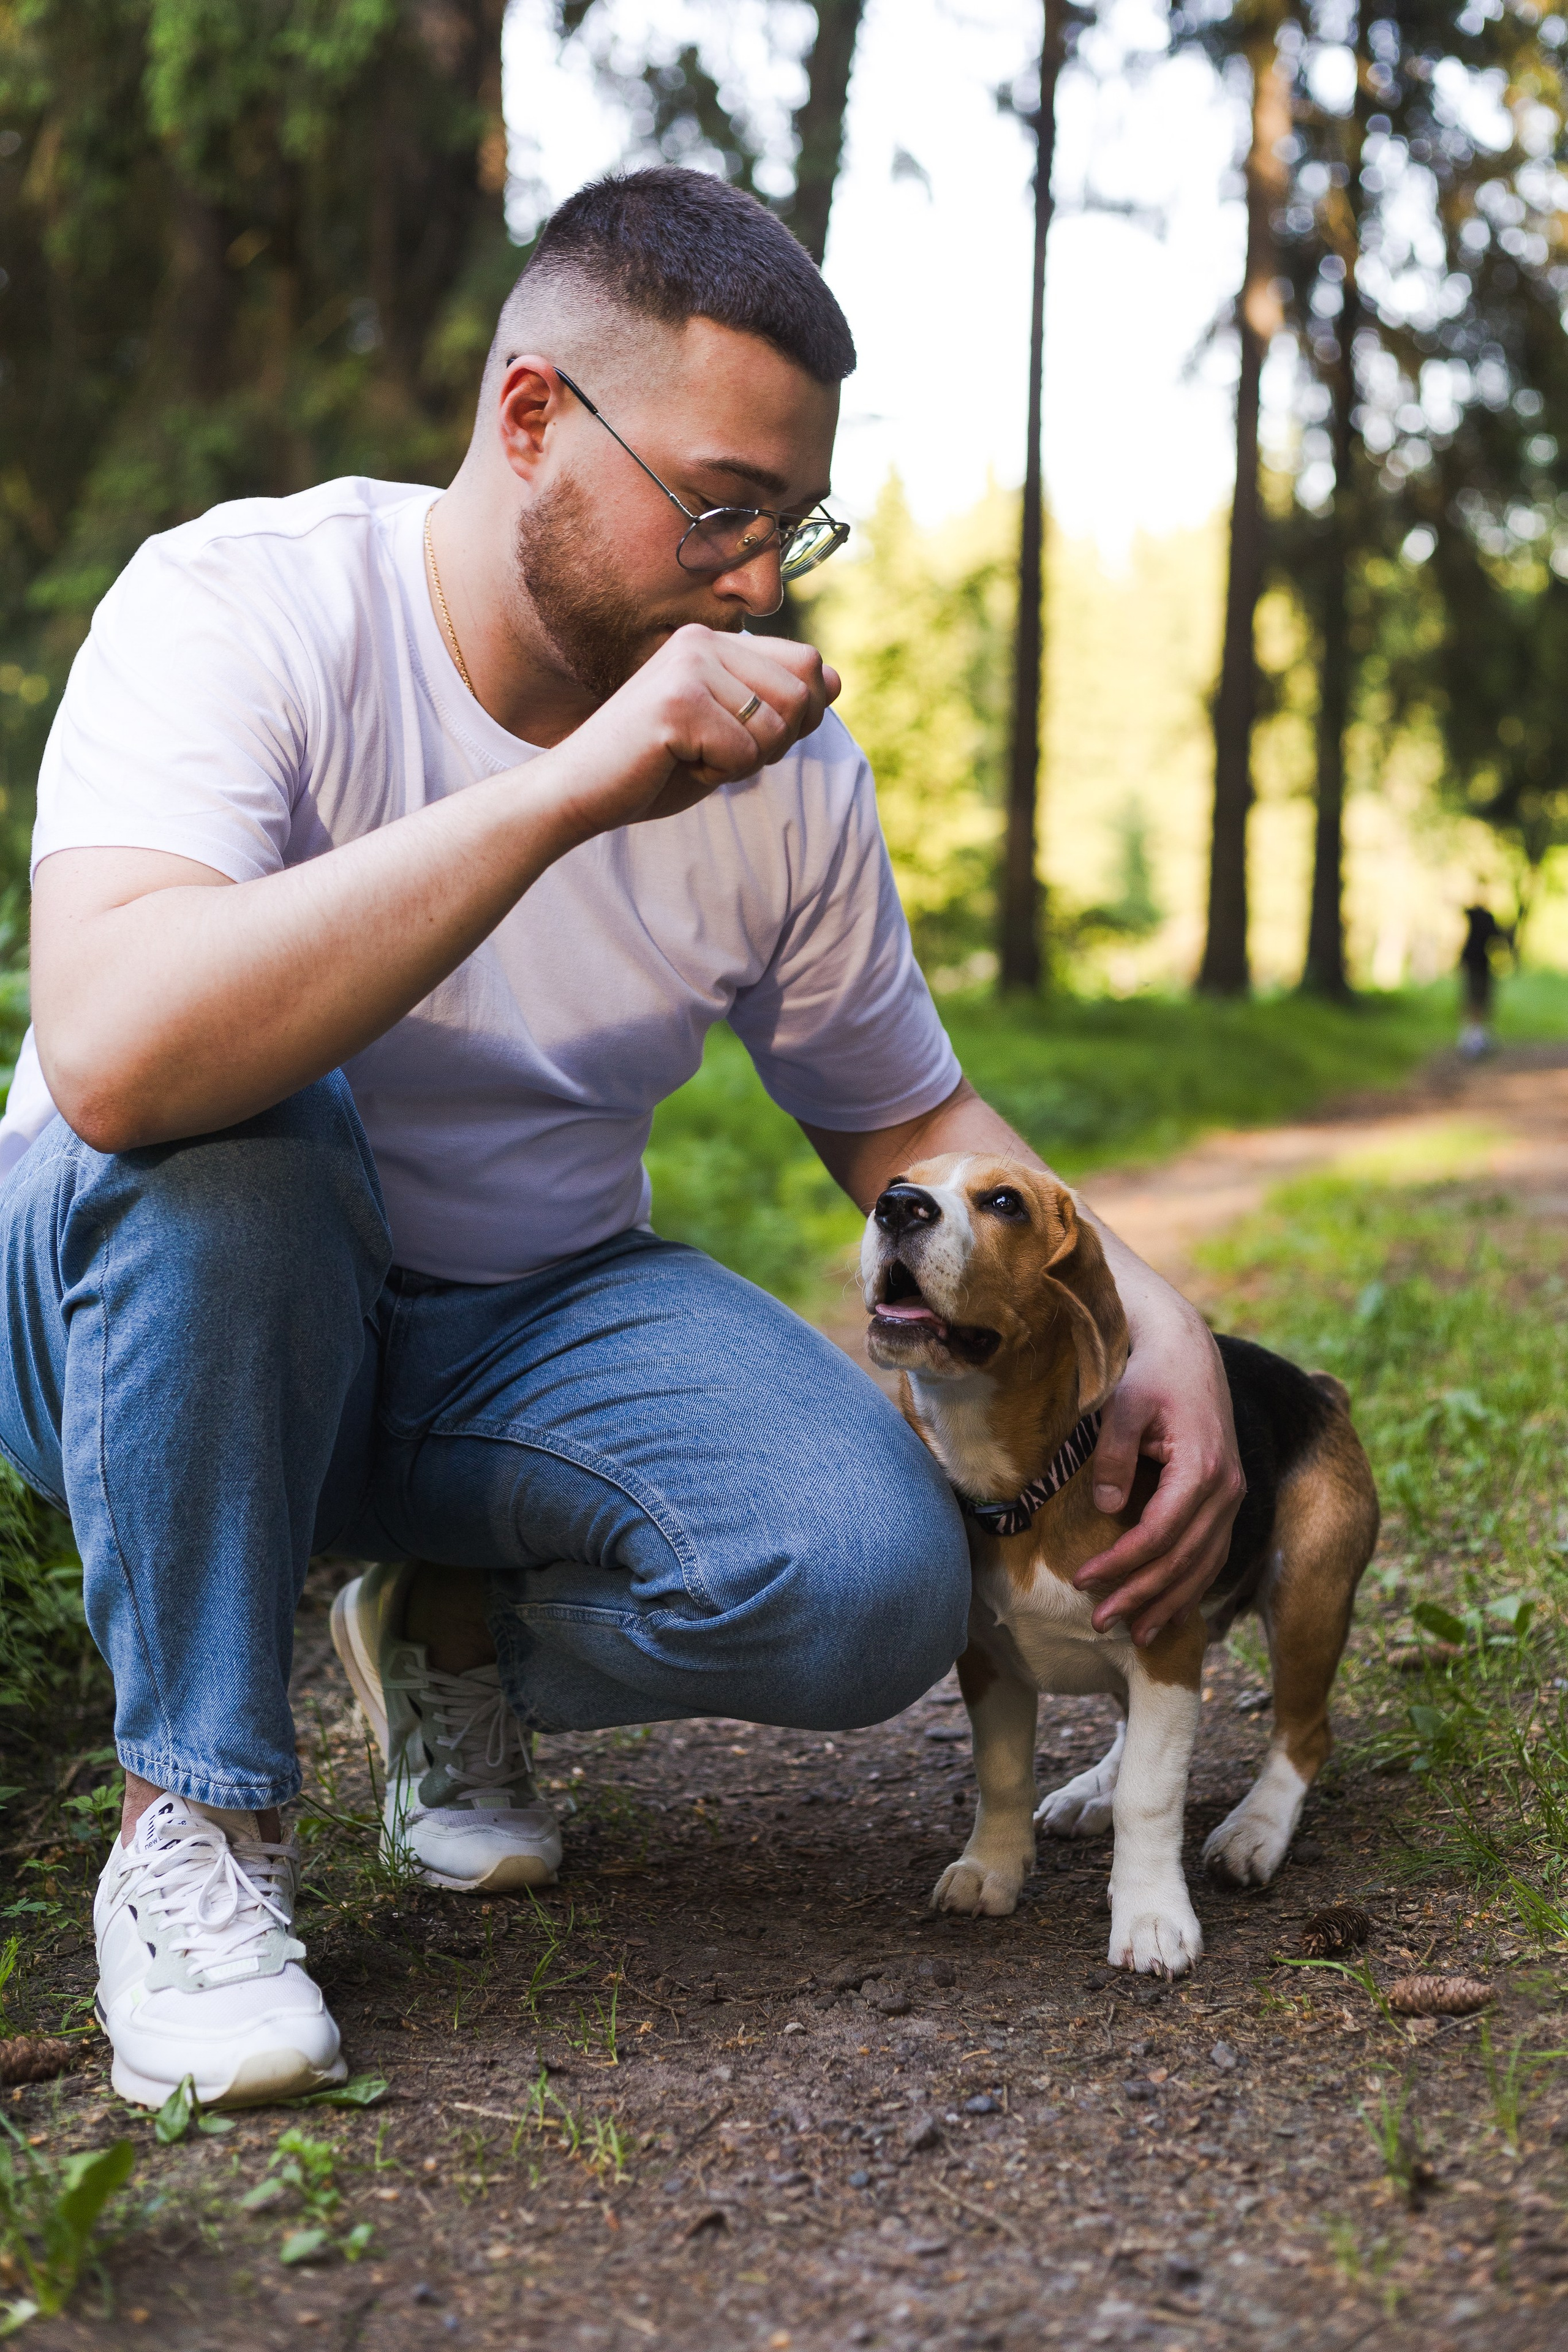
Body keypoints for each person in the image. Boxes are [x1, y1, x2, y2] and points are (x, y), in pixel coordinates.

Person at [0, 168, 1244, 2111]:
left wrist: (1143, 1299)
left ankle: (449, 1627)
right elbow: (120, 1059)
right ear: (526, 421)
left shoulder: (779, 769)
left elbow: (897, 1107)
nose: (757, 580)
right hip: (150, 1297)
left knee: (871, 1576)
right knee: (249, 1144)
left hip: (514, 1327)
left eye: (787, 519)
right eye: (718, 507)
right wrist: (572, 788)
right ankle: (200, 1826)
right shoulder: (239, 601)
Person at [1457, 902, 1512, 1058]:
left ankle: (1476, 1036)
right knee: (1475, 999)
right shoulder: (1482, 917)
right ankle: (1473, 1037)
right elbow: (1498, 937)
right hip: (1477, 964)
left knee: (1477, 999)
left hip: (1479, 964)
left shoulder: (1479, 916)